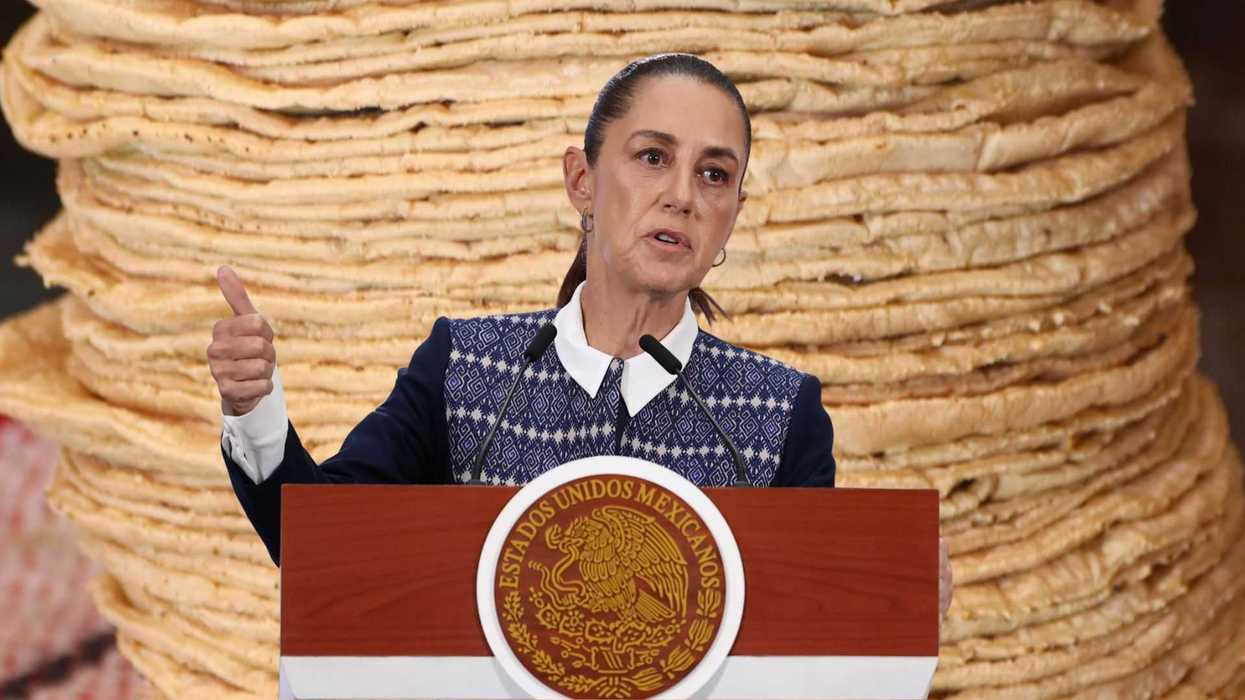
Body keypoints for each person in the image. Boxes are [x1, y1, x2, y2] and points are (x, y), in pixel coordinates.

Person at [207, 53, 952, 619]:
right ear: (582, 181)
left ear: (733, 212)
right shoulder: (464, 368)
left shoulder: (779, 413)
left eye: (715, 175)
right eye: (652, 157)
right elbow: (324, 550)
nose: (682, 196)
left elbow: (802, 634)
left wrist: (892, 604)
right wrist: (254, 410)